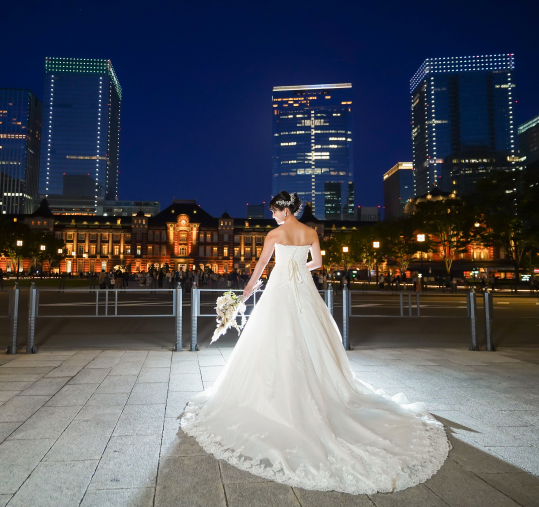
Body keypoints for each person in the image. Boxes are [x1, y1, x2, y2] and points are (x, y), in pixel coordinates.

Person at [180, 191, 449, 494]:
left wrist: (242, 296)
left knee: (273, 337)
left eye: (273, 210)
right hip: (304, 291)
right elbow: (318, 263)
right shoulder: (310, 232)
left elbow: (259, 271)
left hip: (279, 291)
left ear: (283, 209)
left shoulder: (274, 234)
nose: (271, 215)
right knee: (313, 337)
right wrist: (298, 267)